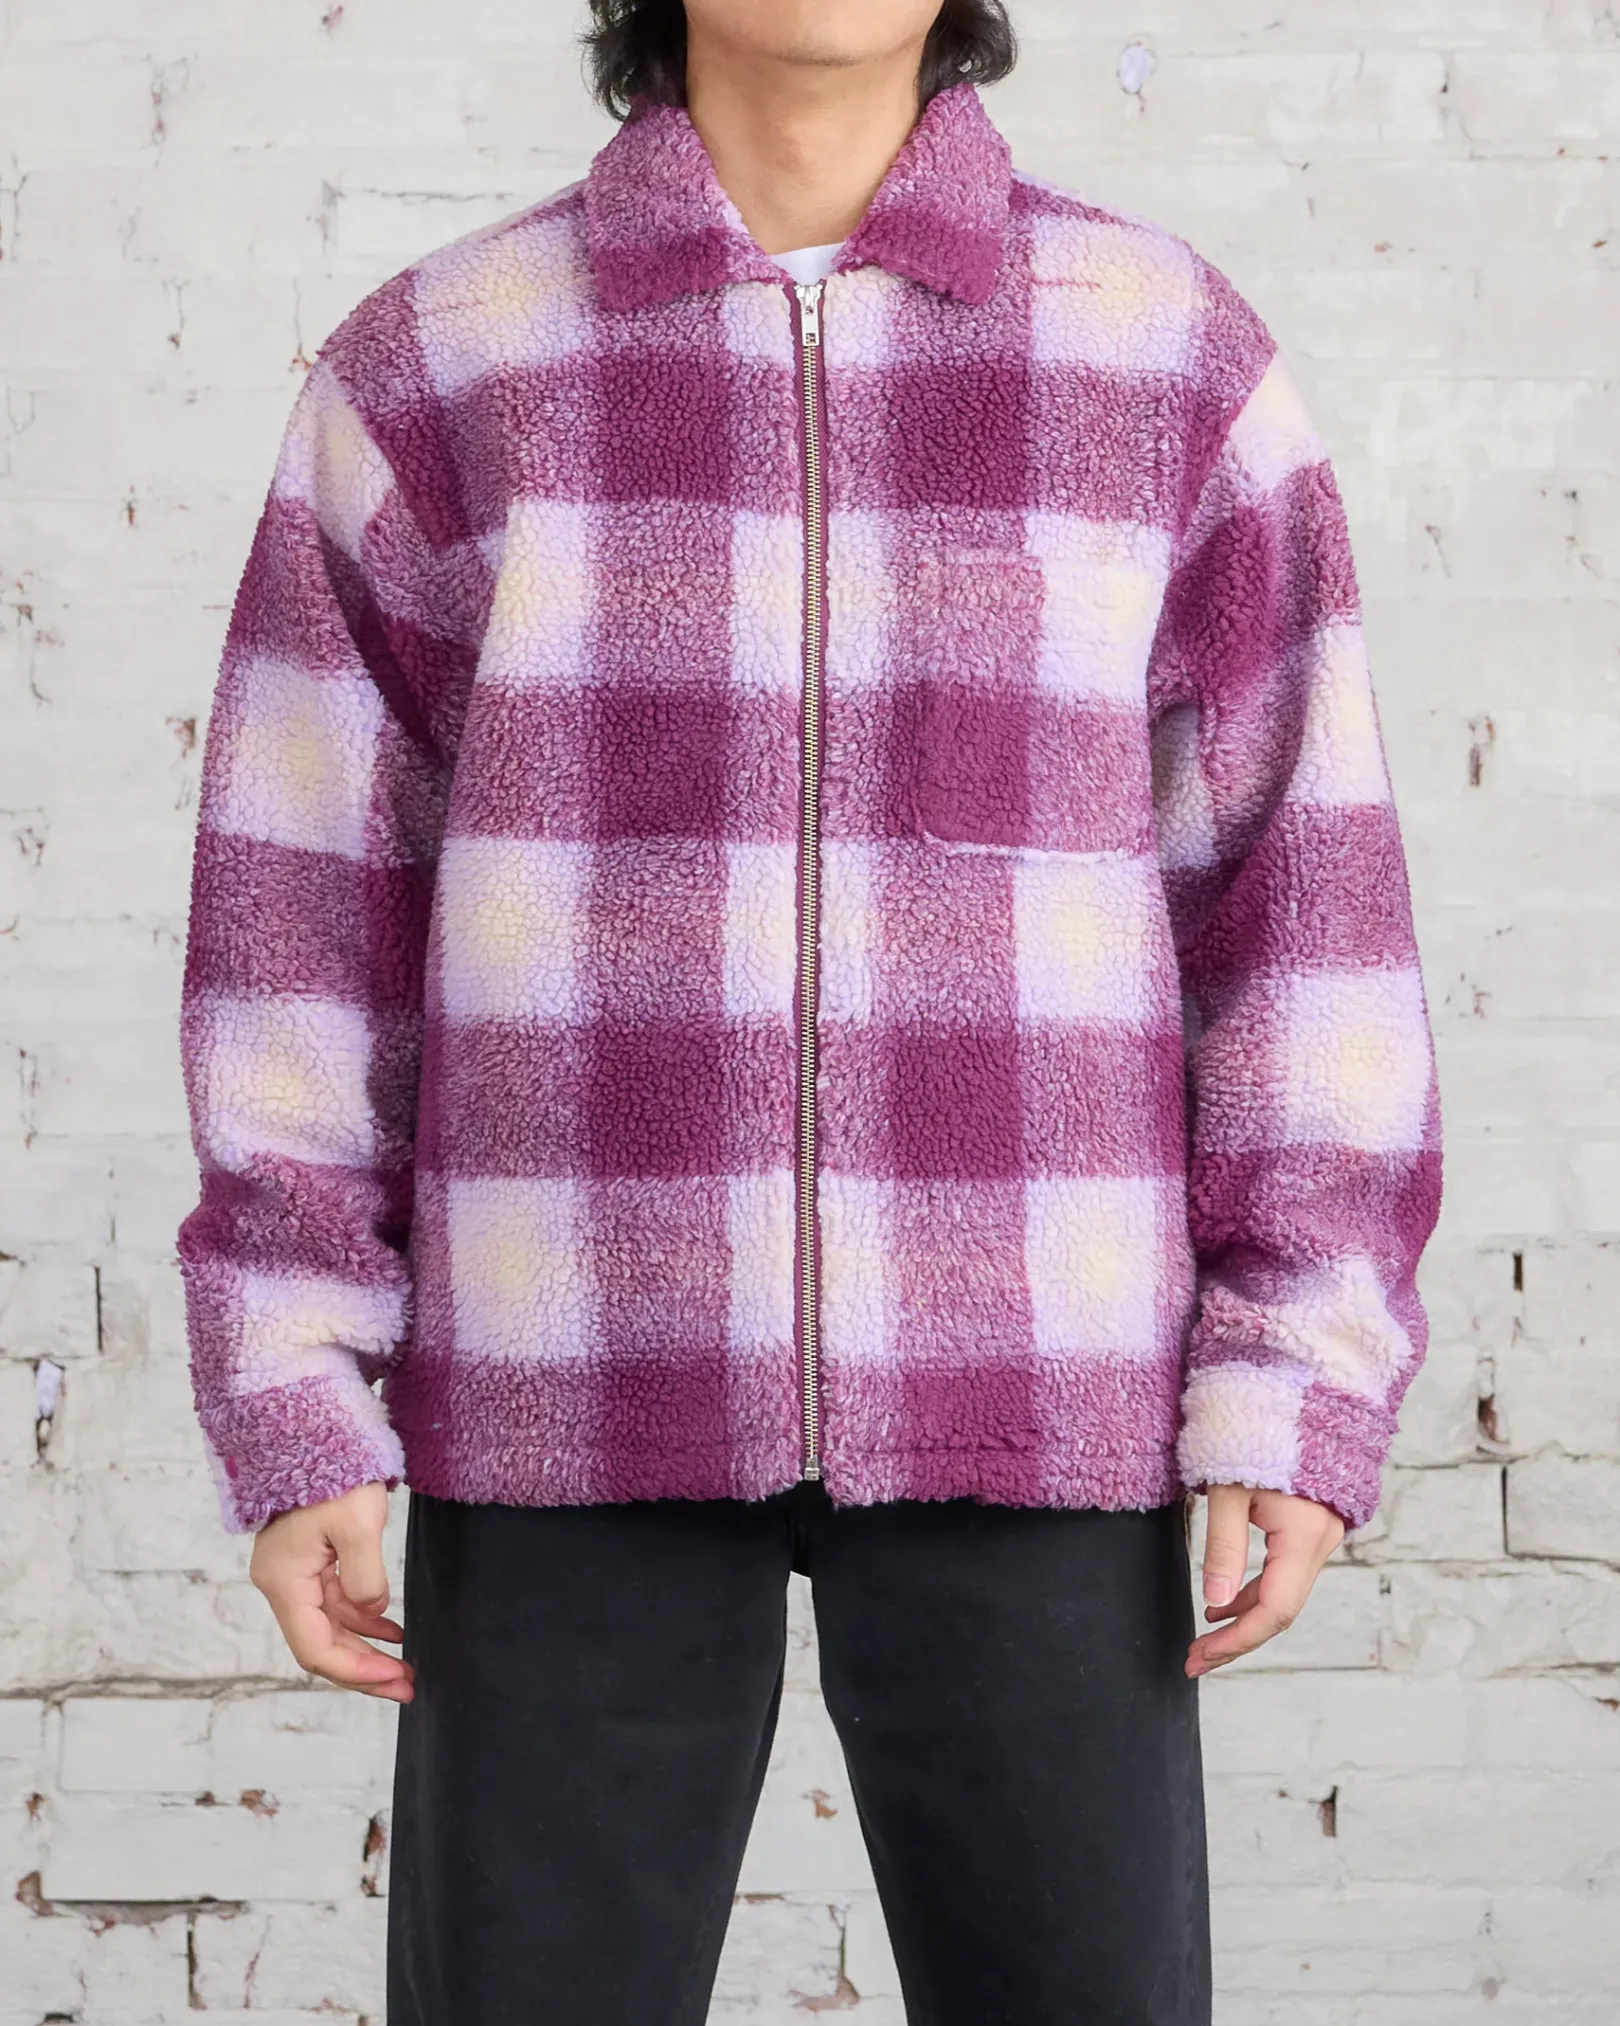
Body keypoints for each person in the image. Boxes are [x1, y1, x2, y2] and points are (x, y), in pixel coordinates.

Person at [174, 1, 1442, 2019]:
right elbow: (303, 913)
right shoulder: (441, 366)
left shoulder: (1163, 355)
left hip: (1038, 1373)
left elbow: (1300, 901)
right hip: (569, 1365)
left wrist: (1297, 1361)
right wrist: (298, 1376)